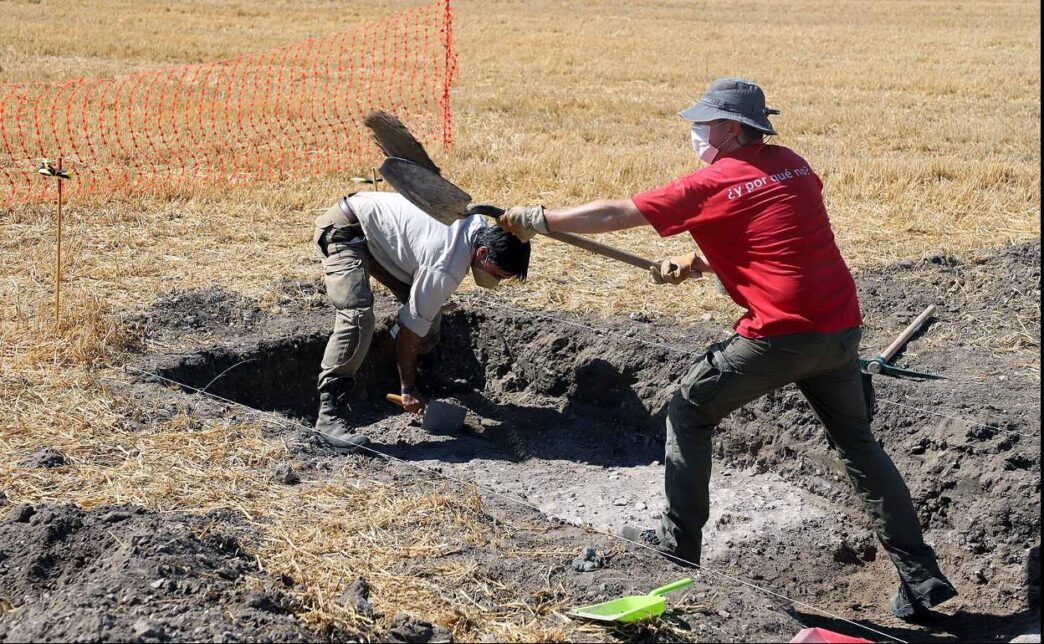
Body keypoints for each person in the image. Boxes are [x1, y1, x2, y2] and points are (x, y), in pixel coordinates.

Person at [498, 78, 957, 620]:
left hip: (781, 334)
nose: (696, 133)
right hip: (839, 328)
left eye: (705, 124)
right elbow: (776, 236)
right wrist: (698, 264)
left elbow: (614, 213)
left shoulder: (710, 183)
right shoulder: (793, 164)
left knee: (688, 409)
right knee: (858, 445)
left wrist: (539, 220)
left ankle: (677, 546)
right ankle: (921, 576)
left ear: (733, 129)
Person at [313, 190, 530, 452]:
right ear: (482, 253)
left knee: (429, 311)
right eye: (501, 275)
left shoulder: (477, 228)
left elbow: (420, 317)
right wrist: (407, 388)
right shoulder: (445, 265)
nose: (499, 282)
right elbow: (410, 330)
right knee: (357, 317)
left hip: (381, 237)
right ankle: (329, 416)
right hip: (345, 230)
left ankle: (425, 379)